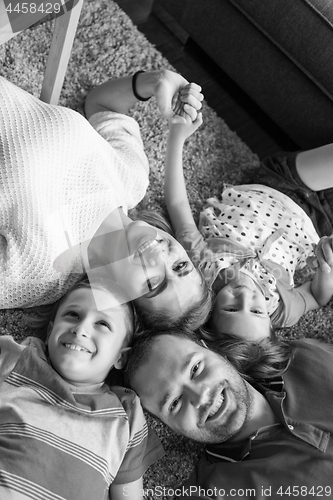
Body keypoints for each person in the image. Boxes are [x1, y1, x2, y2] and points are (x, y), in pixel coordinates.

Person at [0, 69, 212, 331]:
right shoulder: (132, 179)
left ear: (118, 299)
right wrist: (154, 81)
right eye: (180, 265)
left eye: (153, 284)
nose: (160, 257)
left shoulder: (42, 273)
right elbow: (102, 105)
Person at [158, 111, 333, 341]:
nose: (244, 298)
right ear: (269, 322)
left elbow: (177, 203)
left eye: (230, 309)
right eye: (256, 311)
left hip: (281, 183)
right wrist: (326, 268)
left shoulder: (206, 269)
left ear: (209, 313)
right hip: (322, 222)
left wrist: (176, 138)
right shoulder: (280, 309)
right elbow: (317, 296)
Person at [0, 277, 164, 499]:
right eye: (73, 315)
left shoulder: (126, 414)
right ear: (49, 333)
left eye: (103, 324)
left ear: (120, 357)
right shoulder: (18, 358)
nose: (81, 328)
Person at [126, 329, 333, 499]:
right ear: (168, 426)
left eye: (196, 368)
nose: (201, 398)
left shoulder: (302, 356)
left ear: (209, 349)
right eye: (175, 403)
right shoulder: (209, 493)